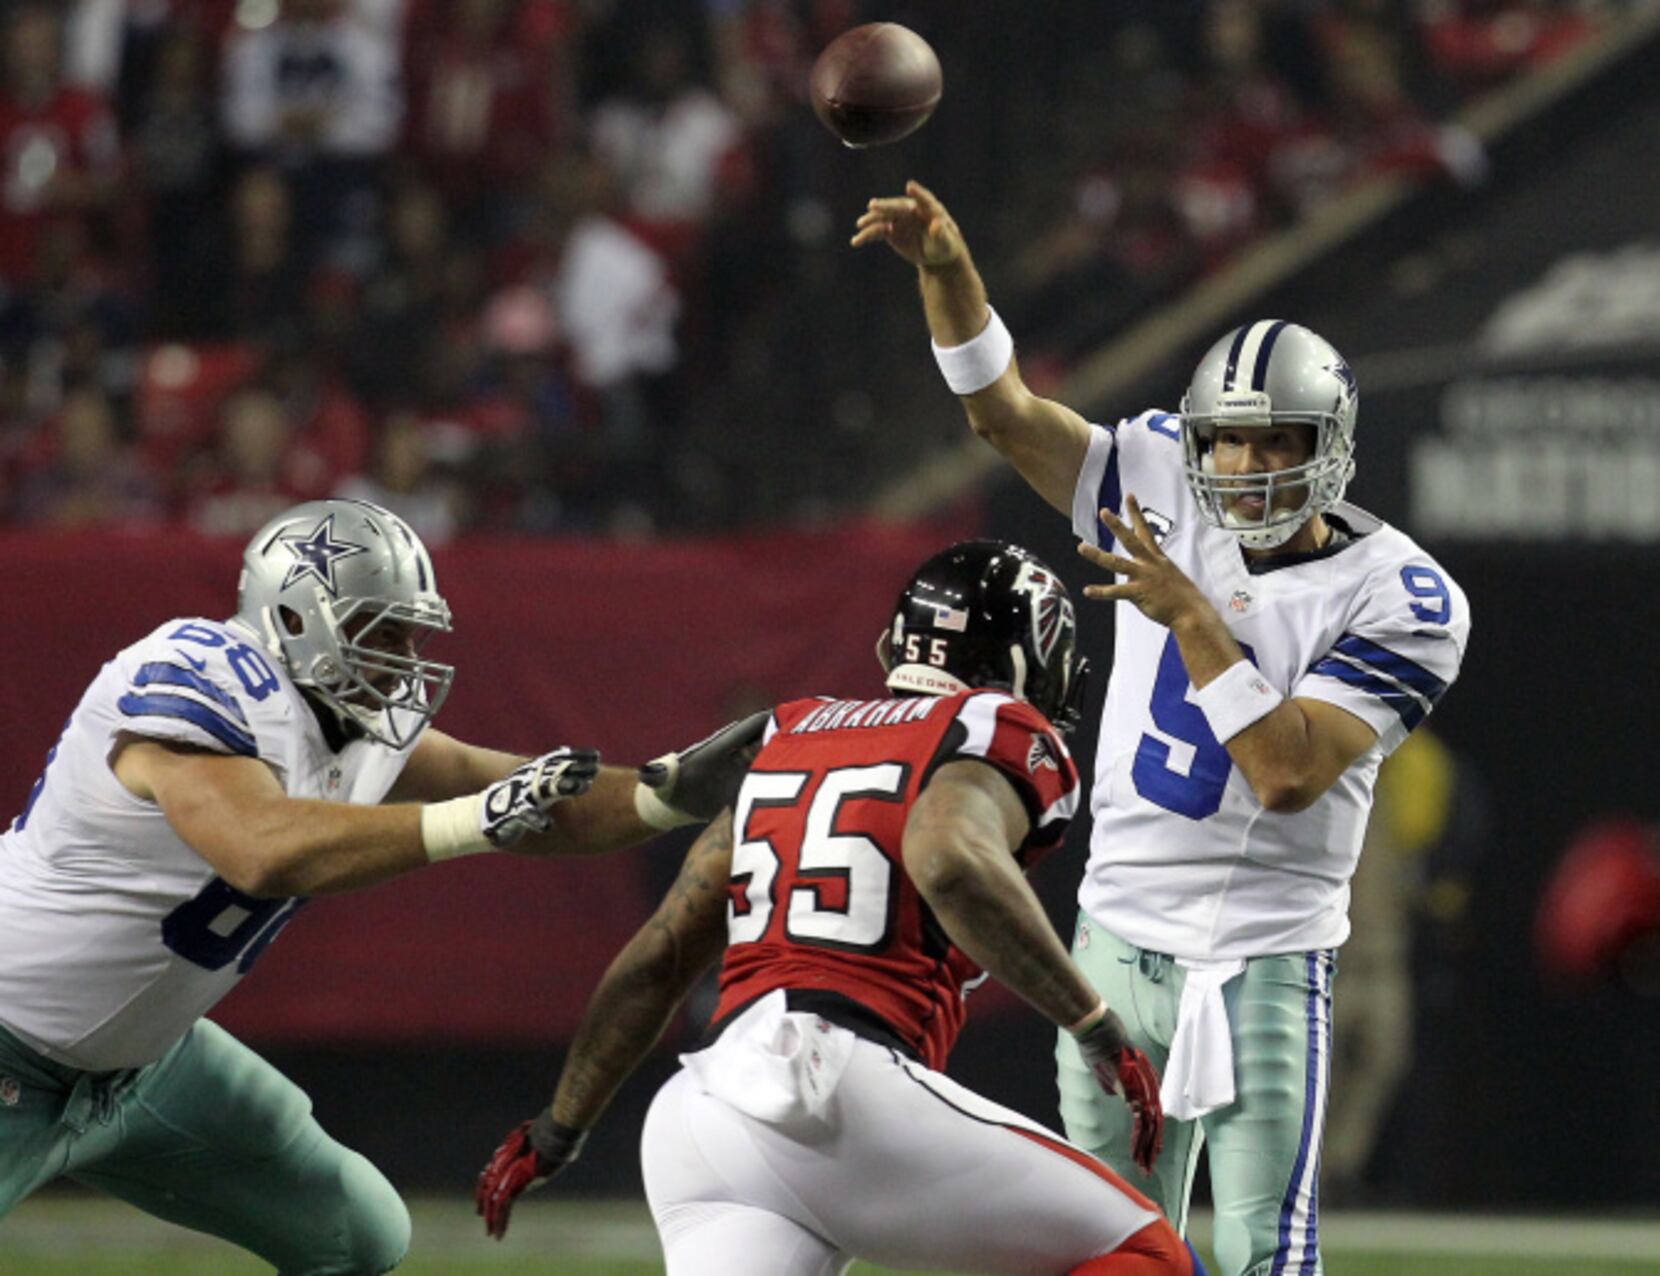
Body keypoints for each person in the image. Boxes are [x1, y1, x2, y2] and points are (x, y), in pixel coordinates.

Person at [853, 184, 1470, 1276]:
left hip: (1264, 959)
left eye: (1272, 442)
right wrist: (948, 274)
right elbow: (1003, 414)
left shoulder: (1402, 594)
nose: (1240, 470)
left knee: (1260, 1257)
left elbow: (1284, 773)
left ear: (1330, 446)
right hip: (1112, 943)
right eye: (1224, 445)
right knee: (1098, 1251)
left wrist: (1190, 611)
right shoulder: (1155, 480)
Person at [0, 498, 763, 1275]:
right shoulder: (197, 675)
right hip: (10, 1041)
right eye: (380, 631)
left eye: (410, 632)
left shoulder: (350, 717)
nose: (404, 657)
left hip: (145, 1066)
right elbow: (260, 848)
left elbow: (526, 796)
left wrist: (663, 795)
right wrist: (472, 823)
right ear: (295, 619)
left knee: (356, 1235)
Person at [477, 540, 1210, 1276]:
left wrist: (556, 1132)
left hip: (702, 1116)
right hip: (838, 1088)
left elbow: (659, 958)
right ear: (1021, 660)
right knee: (1147, 1254)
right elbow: (949, 860)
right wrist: (1095, 1027)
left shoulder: (790, 731)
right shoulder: (991, 727)